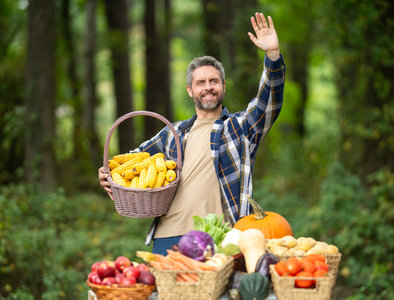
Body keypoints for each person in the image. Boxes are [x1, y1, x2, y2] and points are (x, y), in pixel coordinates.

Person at [99, 12, 285, 255]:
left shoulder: (240, 127)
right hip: (168, 236)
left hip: (219, 236)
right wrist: (106, 173)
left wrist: (272, 56)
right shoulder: (173, 132)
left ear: (223, 87)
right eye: (200, 82)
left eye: (214, 81)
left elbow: (267, 102)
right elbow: (132, 161)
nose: (208, 87)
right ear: (190, 90)